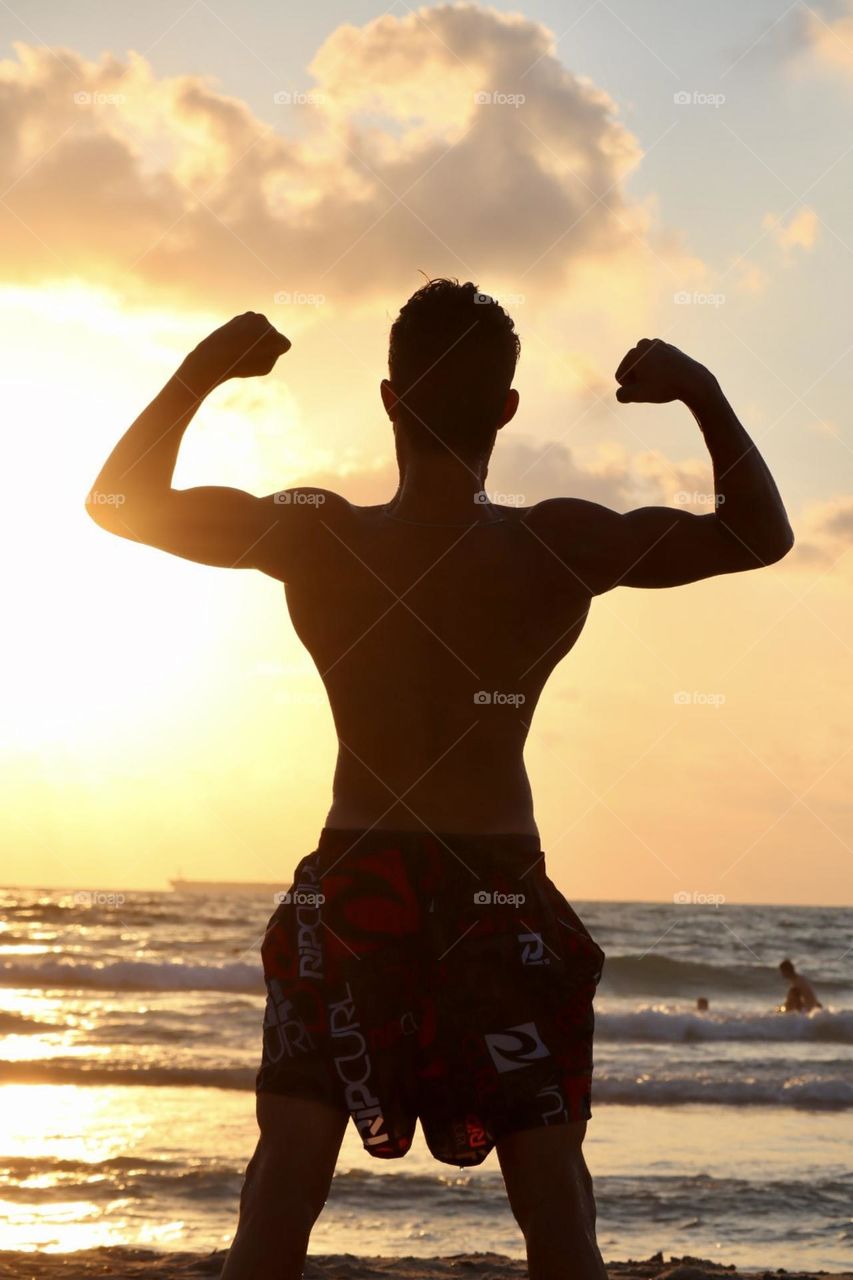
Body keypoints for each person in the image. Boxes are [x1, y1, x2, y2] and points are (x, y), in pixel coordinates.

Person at [87, 280, 794, 1280]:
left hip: (356, 880)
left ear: (387, 398)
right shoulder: (554, 540)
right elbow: (755, 533)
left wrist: (204, 371)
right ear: (506, 409)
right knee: (554, 1209)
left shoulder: (319, 534)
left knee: (281, 1190)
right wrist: (703, 393)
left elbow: (116, 501)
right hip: (494, 892)